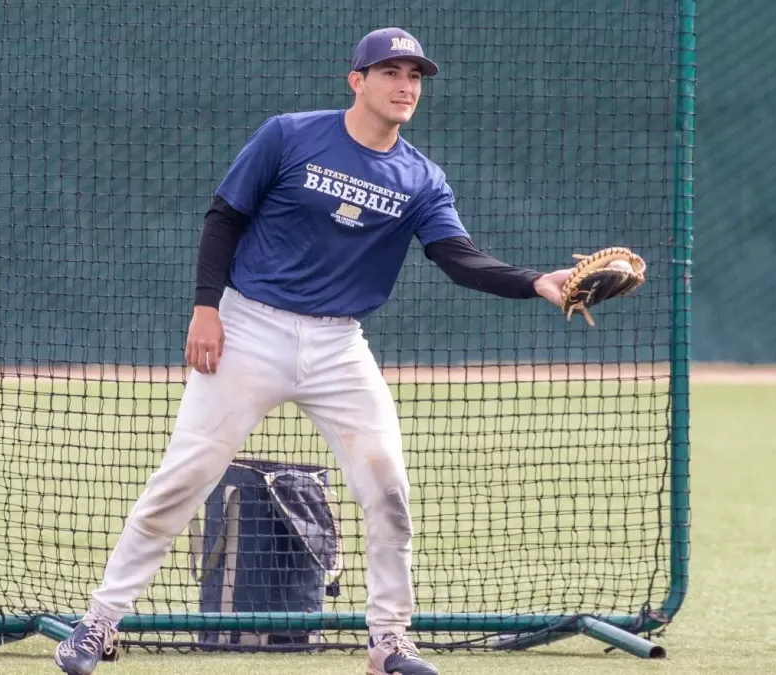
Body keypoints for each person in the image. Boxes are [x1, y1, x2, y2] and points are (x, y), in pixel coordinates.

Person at [54, 28, 576, 675]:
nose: (405, 85)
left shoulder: (420, 177)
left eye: (414, 75)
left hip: (338, 343)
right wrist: (206, 307)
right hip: (249, 327)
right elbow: (224, 216)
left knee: (388, 487)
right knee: (184, 477)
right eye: (390, 71)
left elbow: (458, 258)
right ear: (356, 80)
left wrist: (537, 282)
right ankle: (99, 623)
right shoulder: (290, 135)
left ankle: (388, 641)